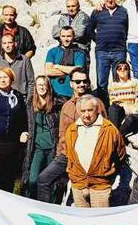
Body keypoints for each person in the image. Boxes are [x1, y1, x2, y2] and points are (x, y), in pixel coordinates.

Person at [36, 71, 108, 203]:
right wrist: (59, 154)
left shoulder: (96, 103)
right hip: (67, 154)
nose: (82, 84)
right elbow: (62, 133)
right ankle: (48, 211)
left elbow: (106, 132)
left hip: (88, 156)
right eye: (78, 81)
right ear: (71, 84)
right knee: (43, 179)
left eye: (85, 81)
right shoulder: (67, 106)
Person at [62, 95, 126, 208]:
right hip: (78, 184)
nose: (86, 115)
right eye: (83, 111)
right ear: (78, 111)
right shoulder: (71, 130)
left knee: (100, 219)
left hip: (100, 186)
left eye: (90, 110)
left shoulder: (109, 129)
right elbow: (69, 154)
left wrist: (107, 172)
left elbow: (120, 154)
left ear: (97, 110)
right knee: (82, 218)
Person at [24, 76, 61, 199]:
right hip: (37, 147)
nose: (42, 87)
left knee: (52, 181)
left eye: (44, 84)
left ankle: (51, 204)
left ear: (48, 87)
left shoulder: (57, 103)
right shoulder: (30, 104)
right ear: (35, 87)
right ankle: (34, 202)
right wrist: (23, 133)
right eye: (39, 84)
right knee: (33, 180)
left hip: (53, 146)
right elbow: (24, 122)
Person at [87, 0, 129, 88]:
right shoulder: (97, 11)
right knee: (102, 81)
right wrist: (98, 40)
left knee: (120, 80)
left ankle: (118, 98)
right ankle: (102, 98)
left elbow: (127, 29)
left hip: (119, 51)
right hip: (102, 51)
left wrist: (122, 40)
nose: (110, 0)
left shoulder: (123, 11)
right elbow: (89, 29)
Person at [107, 60, 138, 137]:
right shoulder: (113, 85)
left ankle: (116, 137)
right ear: (116, 71)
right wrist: (124, 107)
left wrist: (132, 109)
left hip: (135, 113)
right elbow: (113, 101)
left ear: (128, 70)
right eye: (119, 68)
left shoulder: (135, 82)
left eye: (125, 68)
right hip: (121, 112)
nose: (122, 70)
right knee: (112, 108)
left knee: (130, 119)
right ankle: (116, 135)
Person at [43, 26, 89, 100]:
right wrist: (70, 70)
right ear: (60, 37)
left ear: (73, 37)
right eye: (63, 36)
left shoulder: (79, 53)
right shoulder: (52, 51)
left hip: (73, 95)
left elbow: (78, 71)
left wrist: (57, 66)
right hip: (53, 94)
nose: (66, 39)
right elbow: (48, 71)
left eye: (68, 36)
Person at [0, 33, 35, 97]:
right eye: (4, 43)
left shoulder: (24, 60)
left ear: (15, 44)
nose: (7, 46)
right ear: (2, 45)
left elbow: (31, 83)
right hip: (0, 97)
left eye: (10, 42)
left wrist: (28, 100)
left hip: (21, 97)